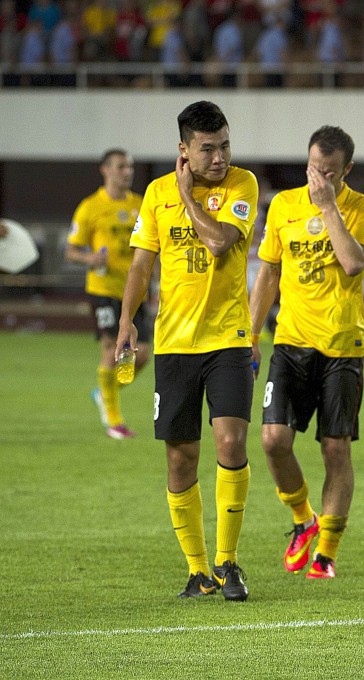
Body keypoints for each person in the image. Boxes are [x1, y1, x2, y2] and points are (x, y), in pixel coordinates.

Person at [115, 101, 259, 601]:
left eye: (224, 146)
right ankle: (199, 571)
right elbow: (140, 265)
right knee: (181, 460)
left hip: (229, 340)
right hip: (175, 344)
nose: (219, 157)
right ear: (184, 149)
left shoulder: (242, 185)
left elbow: (220, 243)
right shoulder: (155, 195)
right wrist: (126, 323)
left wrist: (188, 198)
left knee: (230, 445)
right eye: (207, 148)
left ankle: (228, 561)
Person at [248, 126, 364, 580]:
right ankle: (303, 519)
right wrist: (249, 333)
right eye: (312, 168)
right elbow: (267, 273)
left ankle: (326, 552)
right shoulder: (283, 205)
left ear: (346, 170)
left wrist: (328, 208)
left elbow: (353, 262)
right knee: (272, 440)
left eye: (327, 171)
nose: (317, 179)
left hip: (342, 347)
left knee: (335, 449)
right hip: (290, 341)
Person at [65, 148, 150, 440]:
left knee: (140, 357)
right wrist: (89, 259)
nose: (127, 171)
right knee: (111, 349)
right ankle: (114, 421)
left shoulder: (141, 205)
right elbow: (71, 250)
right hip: (103, 291)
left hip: (134, 292)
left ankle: (104, 392)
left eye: (130, 166)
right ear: (105, 170)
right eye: (121, 166)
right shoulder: (90, 207)